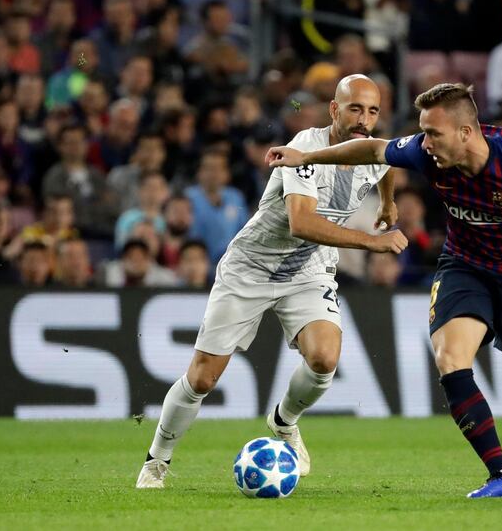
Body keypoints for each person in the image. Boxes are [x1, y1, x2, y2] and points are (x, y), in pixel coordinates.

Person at [266, 83, 502, 498]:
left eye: (434, 134)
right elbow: (373, 149)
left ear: (467, 133)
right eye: (423, 132)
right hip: (465, 268)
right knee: (451, 358)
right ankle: (501, 475)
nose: (424, 143)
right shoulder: (423, 151)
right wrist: (306, 156)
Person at [136, 75, 406, 489]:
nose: (363, 119)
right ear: (335, 110)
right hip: (250, 267)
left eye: (372, 111)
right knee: (203, 378)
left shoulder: (371, 149)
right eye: (354, 108)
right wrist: (372, 241)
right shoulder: (307, 148)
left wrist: (388, 202)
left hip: (307, 270)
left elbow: (385, 164)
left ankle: (284, 421)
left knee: (324, 359)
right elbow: (301, 223)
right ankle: (158, 460)